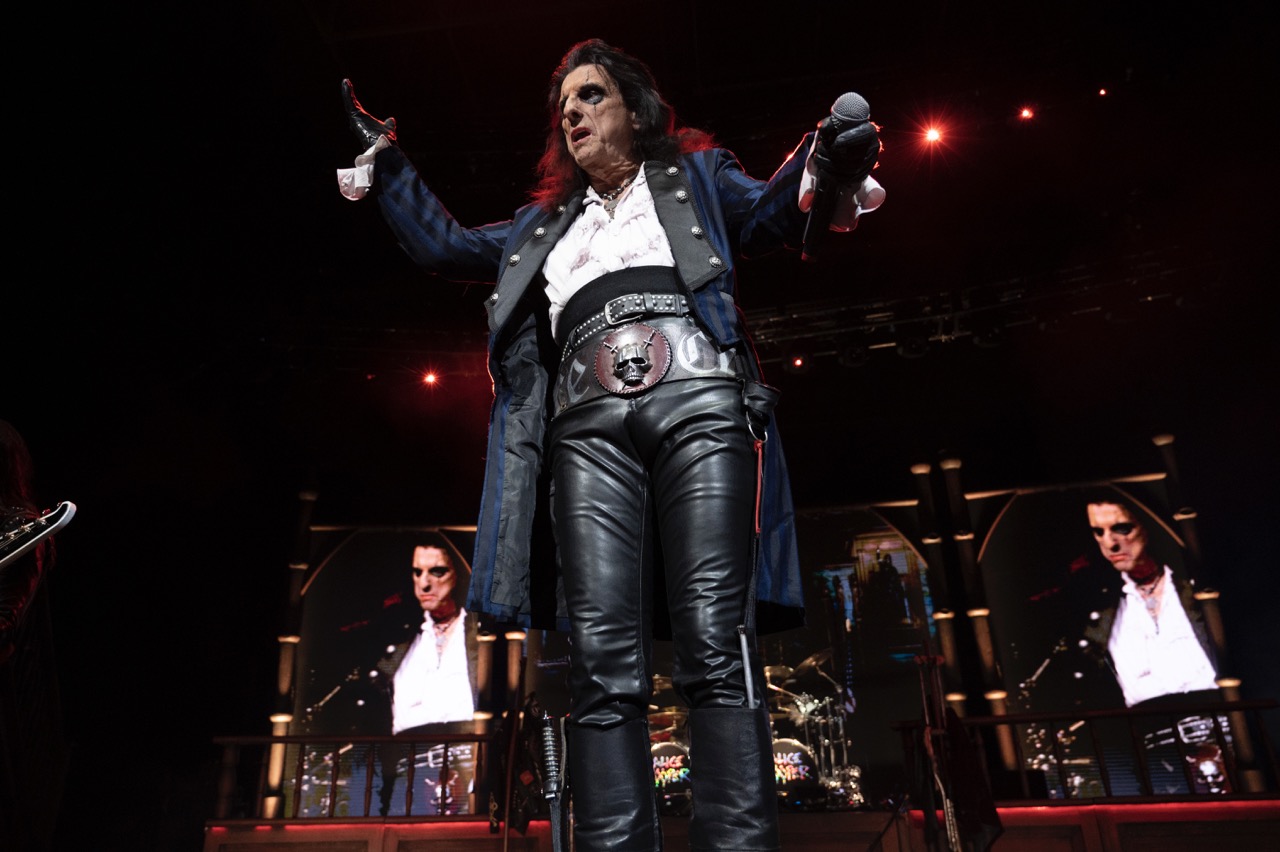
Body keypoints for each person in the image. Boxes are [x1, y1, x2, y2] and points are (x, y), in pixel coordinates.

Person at [335, 38, 884, 850]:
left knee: (713, 641)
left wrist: (826, 159)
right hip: (586, 430)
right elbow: (446, 245)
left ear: (635, 108)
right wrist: (386, 160)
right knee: (600, 661)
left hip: (699, 401)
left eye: (591, 96)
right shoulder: (542, 224)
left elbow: (773, 211)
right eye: (564, 108)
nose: (573, 114)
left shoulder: (696, 176)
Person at [1079, 495, 1230, 793]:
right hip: (1153, 746)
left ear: (1147, 527)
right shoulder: (1104, 610)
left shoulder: (1195, 589)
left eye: (1122, 528)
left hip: (1223, 726)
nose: (1110, 544)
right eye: (1099, 532)